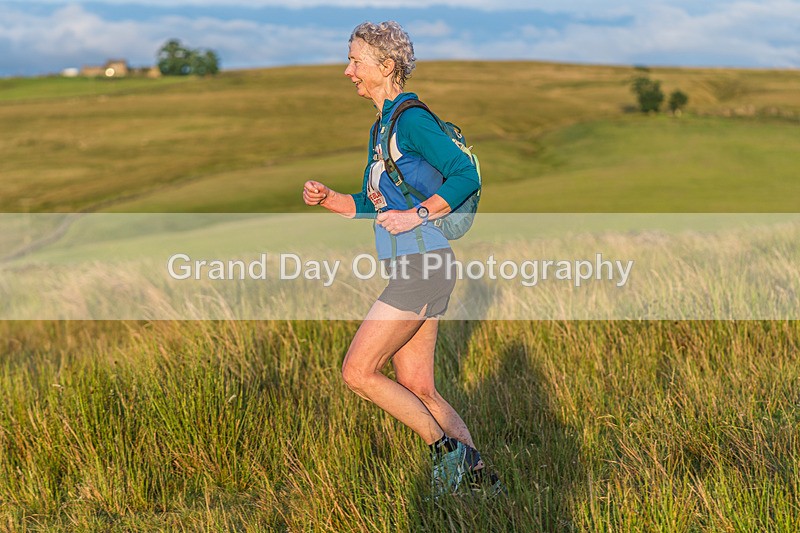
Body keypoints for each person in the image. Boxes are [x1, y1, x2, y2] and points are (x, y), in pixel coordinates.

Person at [302, 20, 502, 497]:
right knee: (419, 387)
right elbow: (376, 201)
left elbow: (464, 174)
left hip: (423, 265)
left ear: (385, 66)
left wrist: (417, 214)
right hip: (417, 265)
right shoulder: (382, 127)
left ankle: (446, 454)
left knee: (358, 372)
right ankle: (482, 484)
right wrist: (330, 198)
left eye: (355, 60)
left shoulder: (411, 120)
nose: (347, 70)